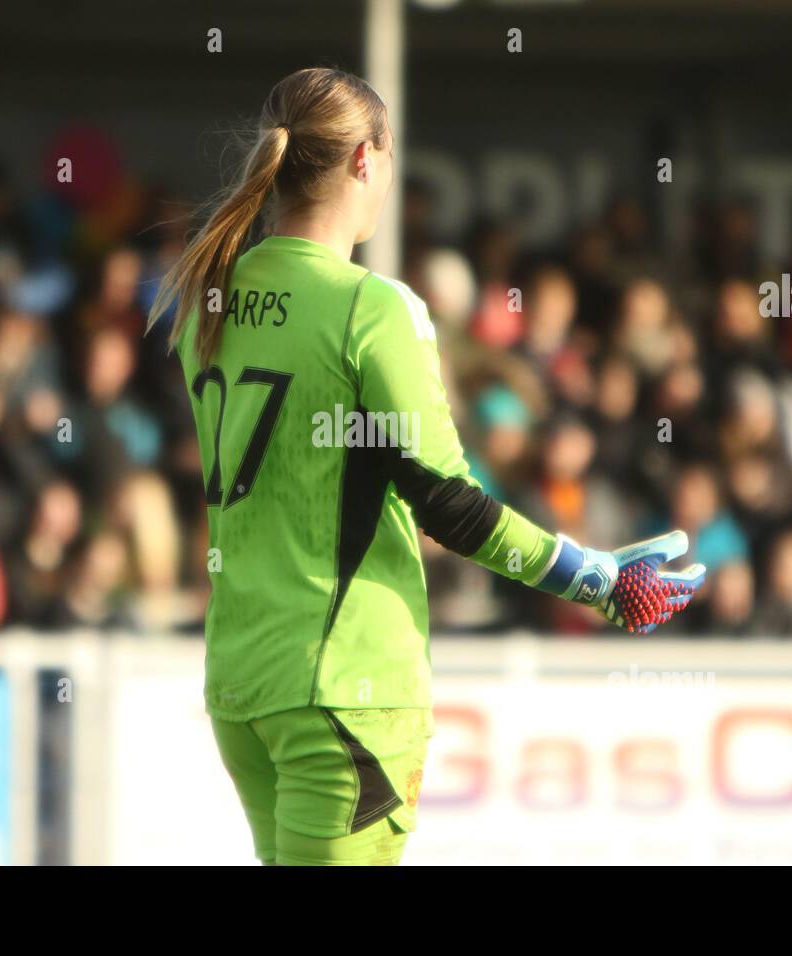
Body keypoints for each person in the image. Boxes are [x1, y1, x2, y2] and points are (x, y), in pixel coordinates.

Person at [146, 67, 705, 867]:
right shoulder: (372, 307)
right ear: (366, 163)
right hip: (347, 687)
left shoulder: (212, 292)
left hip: (243, 681)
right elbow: (446, 501)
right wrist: (593, 578)